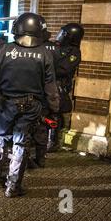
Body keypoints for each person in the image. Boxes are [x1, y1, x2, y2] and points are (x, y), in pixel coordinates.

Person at [0, 12, 59, 197]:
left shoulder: (3, 50)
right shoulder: (45, 54)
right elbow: (50, 86)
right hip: (30, 106)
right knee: (21, 144)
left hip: (5, 104)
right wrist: (54, 109)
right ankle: (13, 186)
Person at [47, 23, 84, 152]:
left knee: (56, 113)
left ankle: (54, 141)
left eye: (62, 33)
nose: (59, 35)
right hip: (47, 84)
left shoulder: (74, 52)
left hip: (59, 87)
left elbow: (62, 69)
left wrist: (48, 67)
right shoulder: (53, 46)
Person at [28, 16, 58, 168]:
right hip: (45, 94)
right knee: (41, 128)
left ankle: (25, 159)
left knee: (26, 129)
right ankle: (41, 158)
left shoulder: (32, 48)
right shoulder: (53, 48)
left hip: (33, 93)